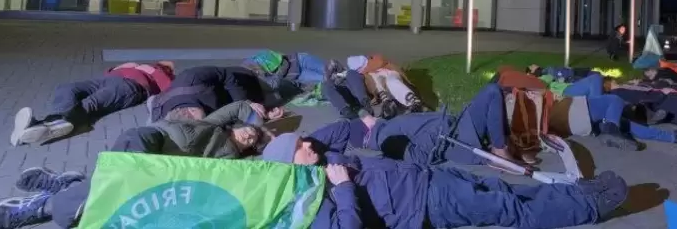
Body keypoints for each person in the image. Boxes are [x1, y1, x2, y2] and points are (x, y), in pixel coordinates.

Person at [0, 100, 271, 228]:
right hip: (149, 139)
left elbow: (258, 168)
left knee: (117, 195)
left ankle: (62, 191)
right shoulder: (215, 123)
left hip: (160, 170)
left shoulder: (229, 159)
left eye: (252, 140)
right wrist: (263, 117)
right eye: (249, 130)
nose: (249, 136)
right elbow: (239, 107)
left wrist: (268, 145)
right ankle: (43, 207)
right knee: (117, 188)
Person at [261, 131, 629, 229]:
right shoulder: (308, 203)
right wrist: (341, 188)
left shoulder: (322, 161)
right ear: (288, 164)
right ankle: (591, 207)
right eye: (299, 145)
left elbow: (342, 131)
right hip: (426, 205)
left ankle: (576, 190)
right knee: (507, 209)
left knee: (503, 189)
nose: (308, 143)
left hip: (428, 178)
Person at [311, 82, 513, 165]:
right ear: (367, 127)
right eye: (366, 118)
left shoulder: (387, 129)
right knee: (492, 91)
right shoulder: (386, 140)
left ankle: (503, 144)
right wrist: (438, 131)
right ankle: (499, 149)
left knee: (498, 89)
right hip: (458, 137)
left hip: (457, 126)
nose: (370, 115)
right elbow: (419, 157)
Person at [10, 62, 175, 146]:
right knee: (67, 89)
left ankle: (50, 126)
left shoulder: (160, 75)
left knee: (92, 104)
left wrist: (161, 74)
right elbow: (110, 71)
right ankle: (53, 123)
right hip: (106, 80)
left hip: (131, 87)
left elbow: (170, 90)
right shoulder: (135, 65)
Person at [562, 72, 677, 149]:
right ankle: (610, 130)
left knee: (620, 121)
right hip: (567, 105)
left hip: (579, 119)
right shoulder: (557, 86)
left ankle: (675, 137)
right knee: (600, 82)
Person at [146, 65, 283, 123]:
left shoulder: (192, 79)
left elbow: (226, 74)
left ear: (191, 109)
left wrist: (246, 103)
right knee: (278, 100)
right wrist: (265, 117)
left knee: (278, 86)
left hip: (247, 80)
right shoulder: (166, 116)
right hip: (256, 100)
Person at [346, 55, 423, 117]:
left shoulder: (375, 59)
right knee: (375, 79)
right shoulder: (365, 75)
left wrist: (368, 68)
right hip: (384, 89)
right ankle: (386, 102)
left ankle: (414, 101)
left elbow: (381, 62)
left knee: (391, 81)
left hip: (391, 75)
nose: (364, 69)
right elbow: (370, 86)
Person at [243, 49, 327, 90]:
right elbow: (273, 85)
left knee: (329, 71)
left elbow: (280, 59)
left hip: (299, 59)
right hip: (298, 73)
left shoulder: (256, 61)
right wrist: (281, 70)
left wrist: (281, 69)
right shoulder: (258, 79)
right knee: (326, 79)